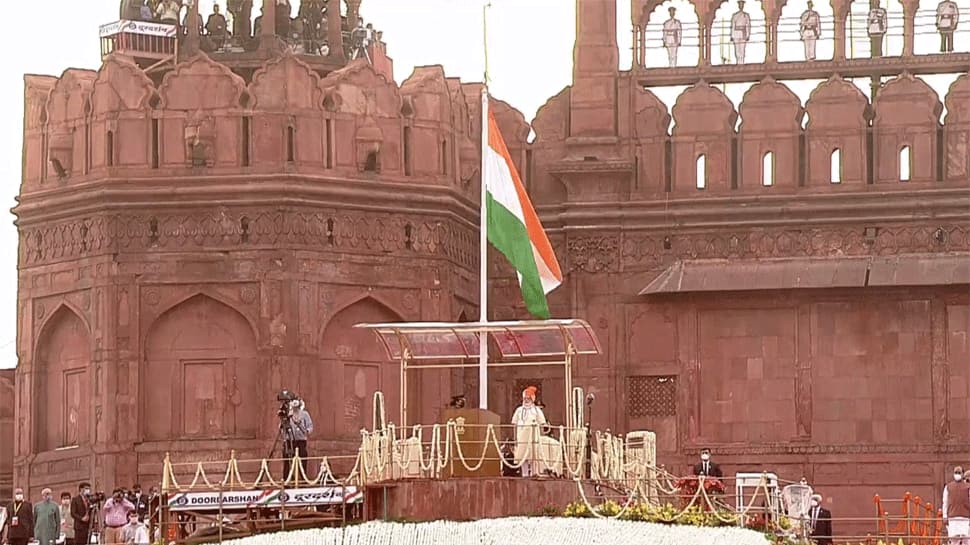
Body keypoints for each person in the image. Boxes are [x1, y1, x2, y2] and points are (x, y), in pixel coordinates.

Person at [511, 386, 547, 478]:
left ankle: (534, 474)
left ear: (532, 399)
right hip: (521, 438)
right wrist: (515, 439)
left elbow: (542, 424)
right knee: (523, 458)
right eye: (525, 398)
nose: (526, 400)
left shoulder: (536, 410)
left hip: (533, 439)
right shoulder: (519, 410)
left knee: (534, 457)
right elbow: (514, 424)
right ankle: (525, 475)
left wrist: (542, 438)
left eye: (528, 398)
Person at [283, 400, 314, 481]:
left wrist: (306, 431)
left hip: (301, 440)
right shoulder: (288, 414)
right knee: (287, 460)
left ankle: (303, 479)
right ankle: (287, 479)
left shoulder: (304, 414)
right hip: (290, 440)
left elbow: (310, 426)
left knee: (303, 458)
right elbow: (281, 427)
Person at [943, 466, 970, 545]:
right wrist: (944, 516)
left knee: (967, 540)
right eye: (956, 472)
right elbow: (945, 502)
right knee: (954, 541)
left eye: (959, 472)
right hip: (953, 518)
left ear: (962, 474)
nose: (957, 474)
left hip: (965, 518)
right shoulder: (948, 487)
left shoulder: (968, 487)